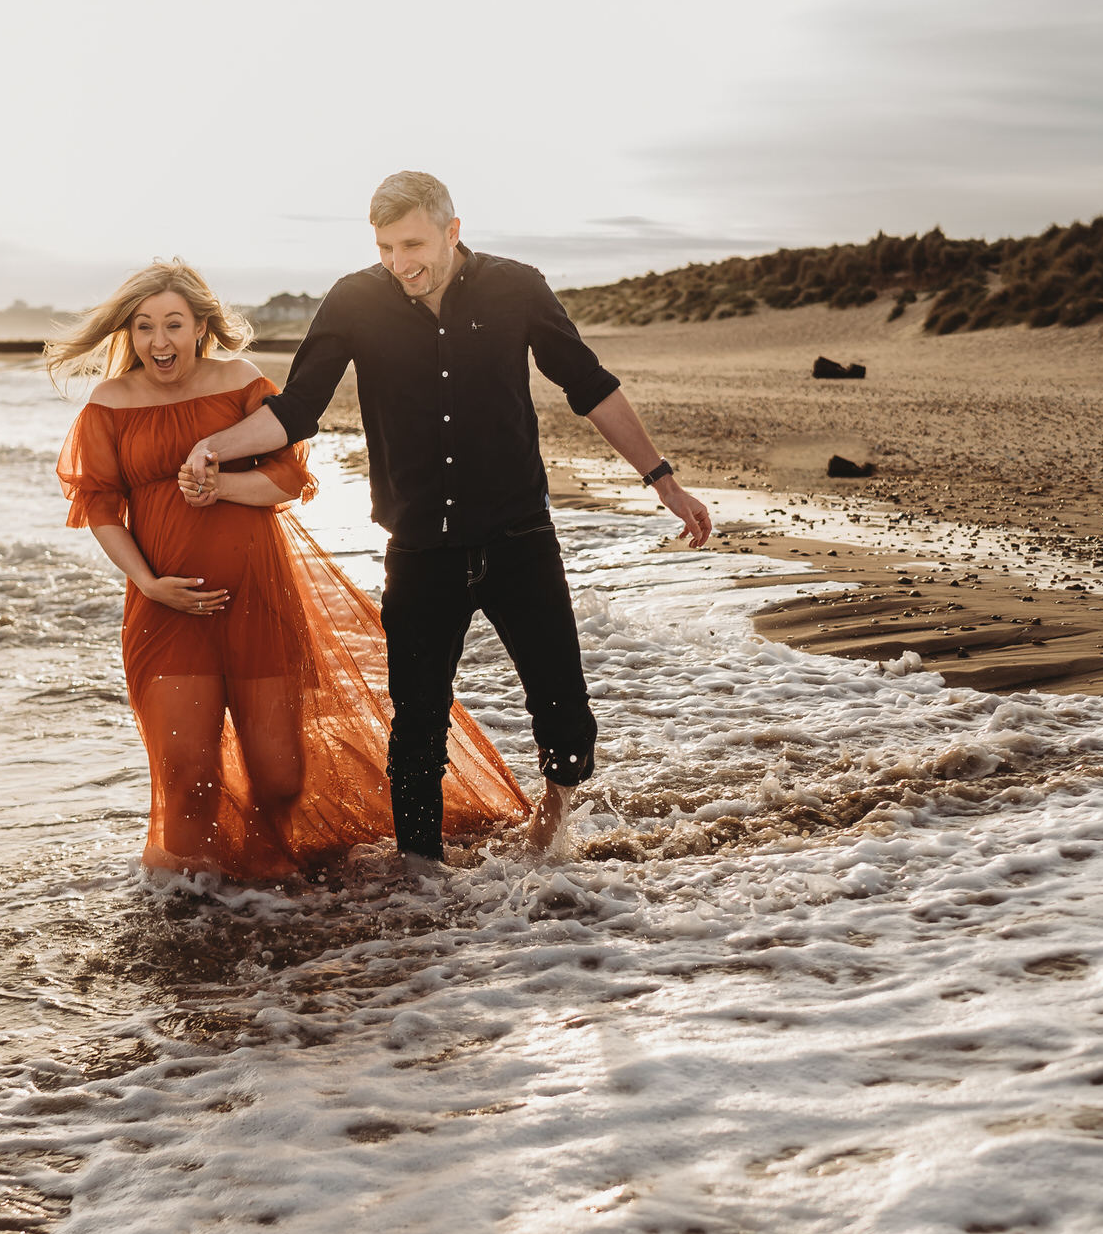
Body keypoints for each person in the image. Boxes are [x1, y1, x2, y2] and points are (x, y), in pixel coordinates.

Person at [184, 172, 715, 870]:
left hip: (519, 537)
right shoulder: (355, 299)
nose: (399, 262)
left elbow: (588, 384)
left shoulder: (517, 287)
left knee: (568, 720)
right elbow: (298, 408)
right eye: (385, 246)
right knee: (417, 733)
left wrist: (663, 480)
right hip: (420, 551)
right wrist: (213, 448)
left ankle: (549, 832)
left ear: (451, 230)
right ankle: (422, 879)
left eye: (412, 244)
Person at [49, 260, 527, 881]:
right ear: (128, 334)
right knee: (188, 777)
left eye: (173, 324)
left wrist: (218, 486)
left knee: (281, 775)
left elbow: (286, 479)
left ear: (201, 326)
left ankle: (261, 888)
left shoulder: (241, 382)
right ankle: (187, 917)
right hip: (167, 611)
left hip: (259, 598)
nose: (158, 342)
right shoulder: (110, 403)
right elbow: (100, 504)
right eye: (143, 328)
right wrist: (147, 582)